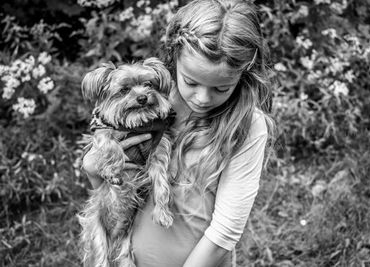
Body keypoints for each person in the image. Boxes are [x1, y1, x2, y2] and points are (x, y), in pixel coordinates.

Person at [82, 0, 275, 266]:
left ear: (244, 74)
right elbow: (115, 192)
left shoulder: (247, 125)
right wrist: (95, 171)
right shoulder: (152, 100)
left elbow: (224, 234)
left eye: (221, 88)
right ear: (173, 58)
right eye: (191, 82)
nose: (203, 98)